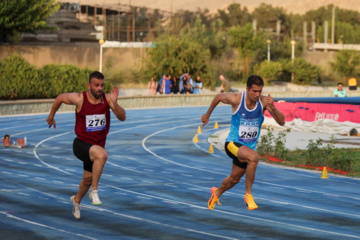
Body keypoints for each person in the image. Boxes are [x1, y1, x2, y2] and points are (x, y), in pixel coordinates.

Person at [46, 71, 126, 219]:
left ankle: (76, 200)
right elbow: (60, 98)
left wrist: (114, 104)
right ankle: (94, 191)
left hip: (96, 147)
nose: (99, 88)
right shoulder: (80, 99)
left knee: (87, 180)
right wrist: (51, 117)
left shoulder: (107, 99)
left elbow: (122, 117)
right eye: (96, 85)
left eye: (102, 85)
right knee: (102, 155)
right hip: (81, 145)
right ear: (89, 85)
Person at [201, 75, 285, 211]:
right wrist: (207, 115)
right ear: (247, 89)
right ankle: (248, 195)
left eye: (260, 91)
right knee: (254, 158)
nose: (257, 95)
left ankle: (216, 193)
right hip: (232, 143)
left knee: (234, 179)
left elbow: (282, 122)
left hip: (247, 147)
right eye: (254, 91)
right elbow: (218, 97)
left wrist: (273, 108)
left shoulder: (263, 102)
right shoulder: (237, 99)